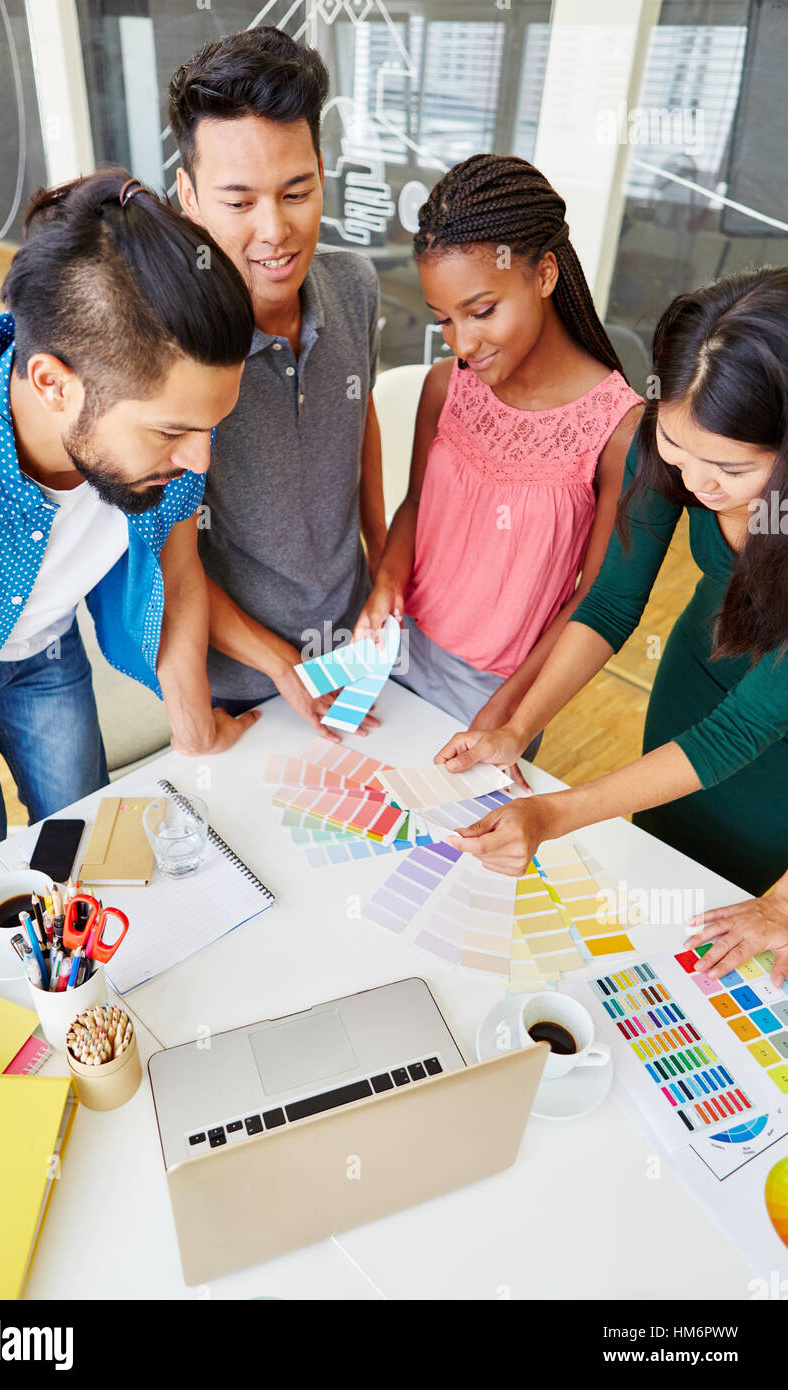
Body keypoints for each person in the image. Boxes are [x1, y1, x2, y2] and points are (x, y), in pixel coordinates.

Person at [0, 168, 256, 877]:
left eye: (207, 430)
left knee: (89, 847)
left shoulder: (182, 433)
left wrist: (193, 727)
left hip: (44, 652)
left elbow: (177, 562)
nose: (198, 462)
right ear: (53, 382)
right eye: (171, 434)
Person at [435, 268, 788, 905]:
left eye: (732, 468)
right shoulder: (665, 442)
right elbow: (611, 600)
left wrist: (552, 815)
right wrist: (519, 726)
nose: (699, 484)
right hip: (699, 677)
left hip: (773, 762)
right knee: (659, 876)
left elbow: (739, 733)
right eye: (678, 447)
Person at [355, 155, 641, 737]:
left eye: (481, 311)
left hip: (496, 692)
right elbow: (415, 506)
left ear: (544, 275)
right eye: (443, 320)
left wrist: (508, 712)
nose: (462, 343)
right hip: (391, 655)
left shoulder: (618, 431)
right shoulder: (445, 387)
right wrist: (386, 580)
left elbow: (593, 599)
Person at [169, 26, 386, 742]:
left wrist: (383, 565)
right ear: (189, 195)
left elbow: (362, 422)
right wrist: (279, 664)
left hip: (355, 660)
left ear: (322, 170)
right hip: (240, 688)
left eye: (297, 191)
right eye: (239, 202)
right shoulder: (166, 345)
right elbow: (167, 554)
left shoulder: (354, 285)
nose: (275, 231)